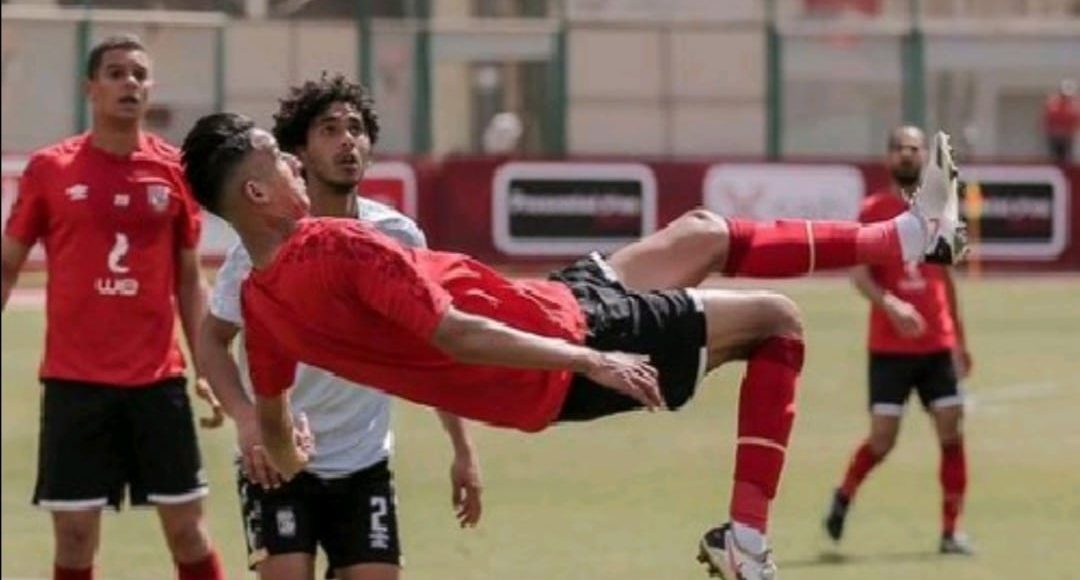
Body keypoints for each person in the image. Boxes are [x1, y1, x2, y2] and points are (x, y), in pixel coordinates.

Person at [179, 111, 965, 580]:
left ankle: (911, 235)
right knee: (778, 323)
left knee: (702, 233)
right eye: (279, 158)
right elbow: (455, 332)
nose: (295, 161)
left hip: (554, 302)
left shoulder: (263, 304)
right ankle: (746, 542)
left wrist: (274, 441)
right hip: (563, 346)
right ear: (258, 193)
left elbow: (277, 436)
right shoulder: (337, 245)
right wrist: (588, 359)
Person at [197, 74, 482, 580]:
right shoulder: (260, 244)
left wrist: (463, 449)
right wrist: (246, 418)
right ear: (299, 152)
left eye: (356, 129)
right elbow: (212, 339)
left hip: (363, 460)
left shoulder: (397, 236)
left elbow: (434, 346)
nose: (347, 140)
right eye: (329, 129)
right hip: (277, 458)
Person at [0, 35, 224, 580]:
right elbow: (7, 264)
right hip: (74, 383)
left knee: (188, 531)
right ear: (91, 88)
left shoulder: (174, 170)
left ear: (151, 89)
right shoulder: (50, 169)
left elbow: (188, 280)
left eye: (139, 75)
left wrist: (207, 368)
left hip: (157, 382)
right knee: (75, 537)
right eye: (117, 73)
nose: (130, 84)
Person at [823, 126, 974, 555]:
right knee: (882, 440)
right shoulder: (872, 210)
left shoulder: (940, 209)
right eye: (899, 148)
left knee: (951, 429)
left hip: (937, 343)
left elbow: (946, 278)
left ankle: (950, 531)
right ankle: (844, 494)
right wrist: (890, 305)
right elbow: (858, 274)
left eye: (914, 148)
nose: (907, 154)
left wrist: (959, 340)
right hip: (889, 347)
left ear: (926, 156)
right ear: (888, 158)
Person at [1043, 79, 1079, 164]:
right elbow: (1048, 118)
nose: (1066, 98)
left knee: (1067, 157)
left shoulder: (1074, 104)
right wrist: (1052, 130)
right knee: (1056, 157)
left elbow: (1076, 120)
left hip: (1068, 135)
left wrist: (1071, 130)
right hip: (1055, 134)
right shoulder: (1053, 103)